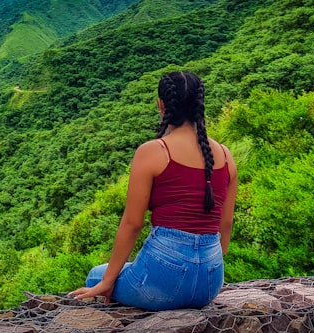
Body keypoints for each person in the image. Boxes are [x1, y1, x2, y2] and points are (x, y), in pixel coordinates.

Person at [69, 70, 237, 310]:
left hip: (165, 274)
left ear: (161, 104)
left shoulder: (154, 151)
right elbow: (226, 225)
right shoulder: (225, 156)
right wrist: (201, 264)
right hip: (210, 283)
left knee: (97, 275)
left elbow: (132, 223)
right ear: (200, 105)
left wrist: (108, 281)